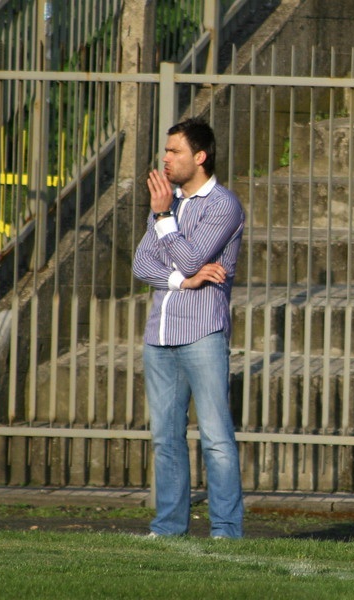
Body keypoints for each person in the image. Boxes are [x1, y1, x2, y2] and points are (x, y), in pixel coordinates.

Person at [132, 117, 245, 538]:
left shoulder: (223, 205)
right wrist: (183, 280)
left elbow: (195, 256)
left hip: (202, 334)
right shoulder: (169, 203)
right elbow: (142, 264)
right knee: (166, 439)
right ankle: (168, 529)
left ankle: (227, 531)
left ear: (200, 157)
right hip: (159, 336)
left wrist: (164, 221)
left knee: (215, 437)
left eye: (174, 151)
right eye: (165, 150)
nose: (165, 159)